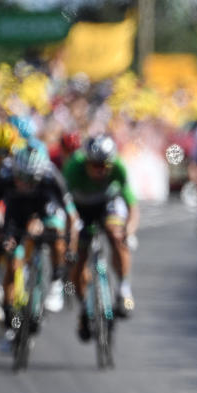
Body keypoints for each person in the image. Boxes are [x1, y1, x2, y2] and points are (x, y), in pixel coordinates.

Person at [0, 145, 79, 335]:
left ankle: (56, 281)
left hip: (44, 208)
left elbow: (72, 218)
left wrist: (70, 249)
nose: (26, 184)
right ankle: (9, 310)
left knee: (56, 230)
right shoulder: (3, 175)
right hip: (15, 212)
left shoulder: (51, 176)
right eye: (21, 178)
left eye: (32, 180)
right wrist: (0, 237)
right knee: (13, 264)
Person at [63, 135, 140, 336]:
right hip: (80, 209)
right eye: (94, 165)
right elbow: (63, 204)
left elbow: (131, 204)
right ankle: (84, 307)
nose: (100, 170)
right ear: (86, 162)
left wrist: (129, 231)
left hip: (108, 205)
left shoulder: (119, 168)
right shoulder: (73, 168)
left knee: (116, 235)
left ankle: (124, 291)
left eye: (104, 165)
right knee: (78, 261)